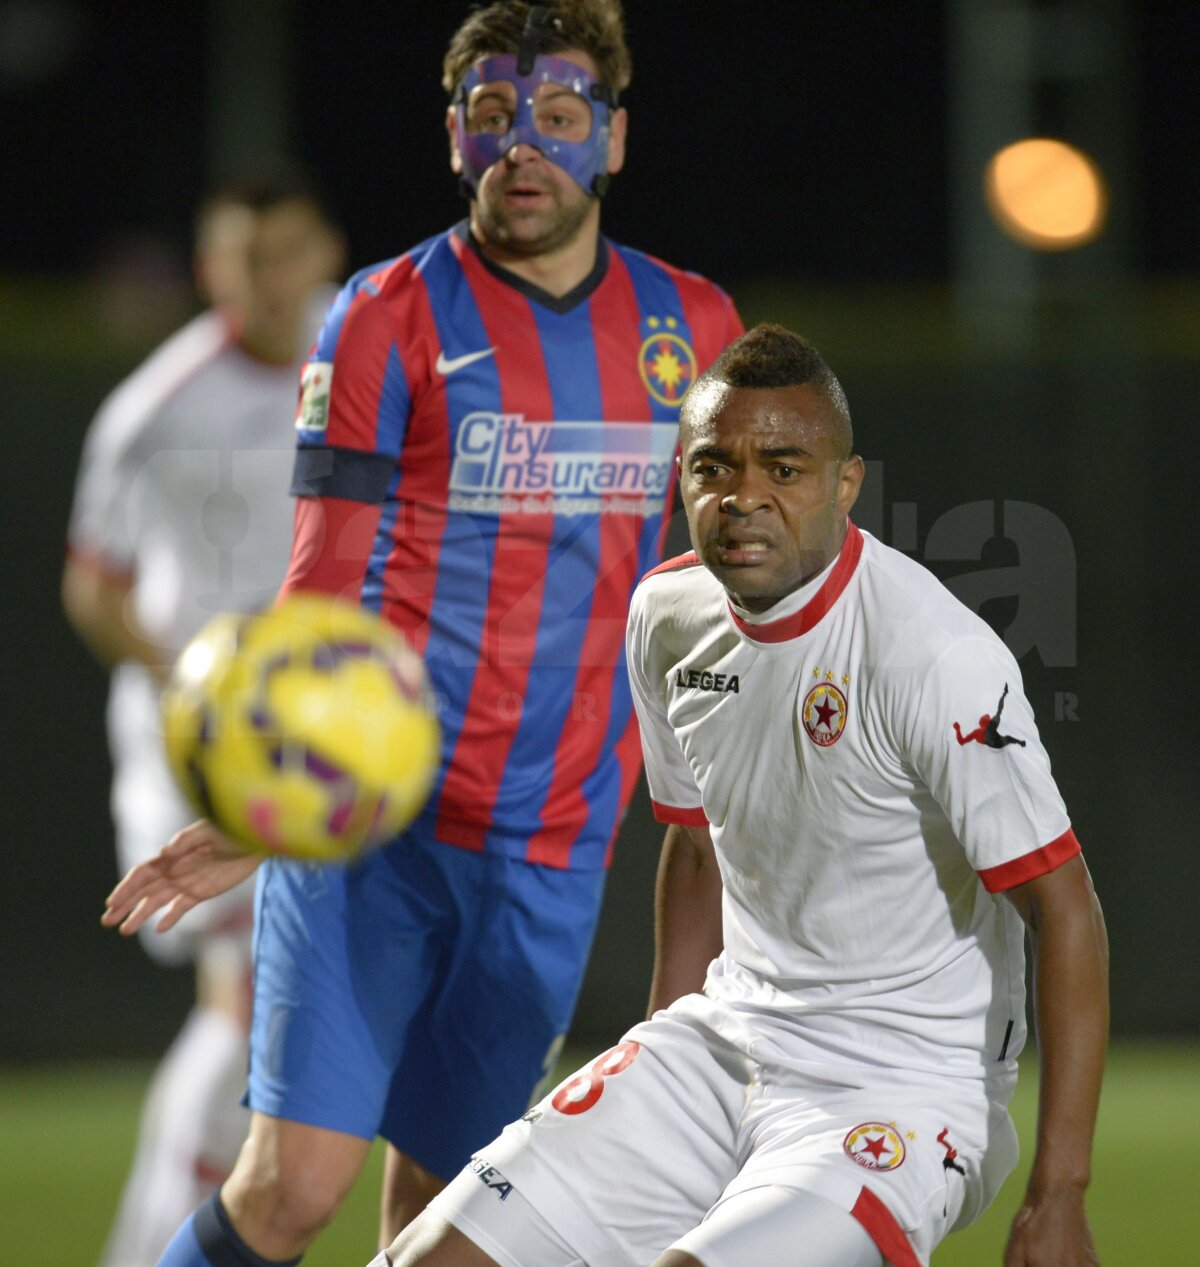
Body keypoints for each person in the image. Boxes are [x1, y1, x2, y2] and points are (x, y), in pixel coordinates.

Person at [102, 3, 744, 1263]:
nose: (525, 147)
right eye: (494, 119)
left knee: (448, 1229)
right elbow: (318, 586)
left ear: (612, 140)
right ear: (456, 139)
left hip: (551, 854)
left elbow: (701, 599)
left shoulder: (698, 332)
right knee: (288, 1194)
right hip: (368, 838)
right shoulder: (384, 314)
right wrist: (264, 797)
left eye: (559, 119)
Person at [374, 324, 1109, 1267]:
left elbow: (1065, 906)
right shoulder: (668, 616)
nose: (743, 497)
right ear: (681, 477)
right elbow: (696, 850)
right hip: (724, 1041)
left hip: (901, 1085)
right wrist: (656, 1061)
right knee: (426, 1257)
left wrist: (1061, 1190)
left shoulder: (936, 654)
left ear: (846, 485)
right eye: (715, 466)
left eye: (784, 467)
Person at [64, 175, 345, 1267]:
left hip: (329, 732)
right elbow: (93, 588)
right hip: (197, 746)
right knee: (249, 1003)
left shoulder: (365, 360)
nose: (267, 276)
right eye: (243, 256)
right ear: (208, 268)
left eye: (285, 250)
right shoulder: (156, 405)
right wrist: (192, 683)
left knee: (271, 1015)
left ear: (323, 249)